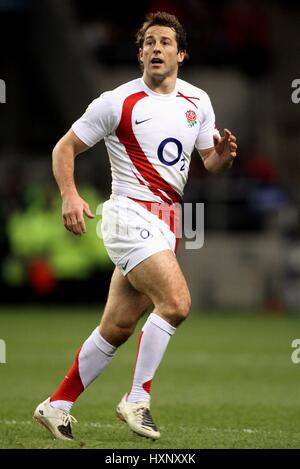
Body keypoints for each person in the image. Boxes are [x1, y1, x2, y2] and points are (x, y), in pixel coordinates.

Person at [33, 11, 237, 441]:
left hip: (168, 222)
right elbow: (64, 148)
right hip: (128, 215)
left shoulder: (197, 102)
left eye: (165, 42)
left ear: (180, 53)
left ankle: (57, 405)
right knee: (178, 303)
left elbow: (209, 163)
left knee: (118, 328)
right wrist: (70, 194)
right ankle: (137, 399)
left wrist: (222, 157)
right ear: (140, 52)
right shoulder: (116, 101)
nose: (156, 49)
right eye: (149, 42)